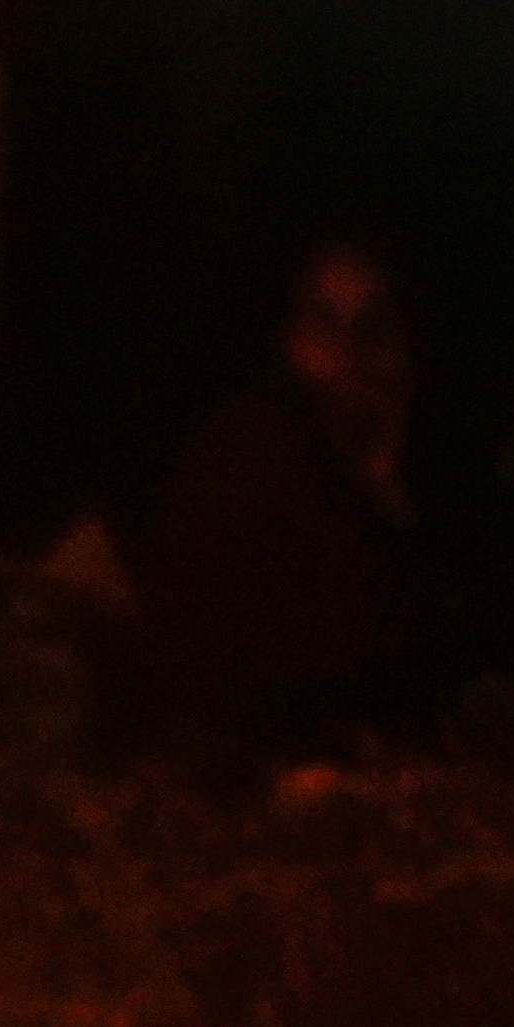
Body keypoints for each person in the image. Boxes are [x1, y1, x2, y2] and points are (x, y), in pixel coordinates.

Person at [137, 237, 431, 749]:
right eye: (322, 329)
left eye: (372, 332)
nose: (346, 358)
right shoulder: (247, 457)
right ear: (287, 339)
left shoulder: (420, 461)